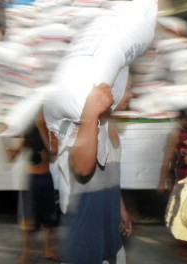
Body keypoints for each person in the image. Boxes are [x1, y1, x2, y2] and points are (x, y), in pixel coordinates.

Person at [54, 81, 134, 264]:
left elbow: (110, 177)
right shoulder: (80, 125)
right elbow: (82, 168)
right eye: (128, 88)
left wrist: (121, 209)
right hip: (85, 230)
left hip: (108, 222)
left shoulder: (110, 126)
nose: (131, 95)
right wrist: (90, 113)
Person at [7, 113, 61, 264]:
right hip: (31, 180)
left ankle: (47, 249)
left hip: (46, 178)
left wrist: (42, 127)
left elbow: (53, 151)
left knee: (48, 217)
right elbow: (10, 156)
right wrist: (2, 138)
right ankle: (26, 254)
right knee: (28, 219)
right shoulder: (27, 132)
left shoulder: (50, 131)